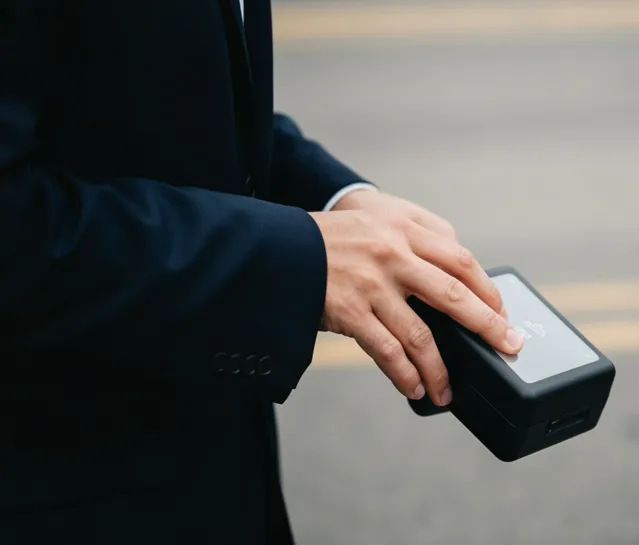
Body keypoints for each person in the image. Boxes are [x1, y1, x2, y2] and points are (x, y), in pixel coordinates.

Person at [0, 0, 523, 543]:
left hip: (219, 468)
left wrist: (339, 198)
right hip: (68, 487)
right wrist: (301, 255)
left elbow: (186, 94)